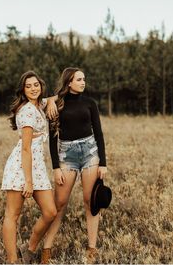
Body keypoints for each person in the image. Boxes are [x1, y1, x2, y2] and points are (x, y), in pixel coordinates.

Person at [41, 67, 107, 264]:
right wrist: (55, 167)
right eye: (79, 79)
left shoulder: (90, 103)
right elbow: (53, 138)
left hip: (90, 154)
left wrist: (103, 162)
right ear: (69, 82)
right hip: (66, 156)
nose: (83, 82)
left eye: (84, 79)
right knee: (59, 204)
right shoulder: (56, 104)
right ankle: (46, 249)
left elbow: (99, 133)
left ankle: (92, 249)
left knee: (91, 202)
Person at [1, 70, 58, 264]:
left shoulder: (39, 105)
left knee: (50, 211)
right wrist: (28, 181)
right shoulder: (26, 111)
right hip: (21, 167)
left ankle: (29, 248)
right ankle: (12, 260)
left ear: (41, 86)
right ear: (22, 90)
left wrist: (50, 101)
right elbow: (25, 149)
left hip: (37, 166)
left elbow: (59, 95)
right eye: (28, 86)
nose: (33, 88)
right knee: (12, 215)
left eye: (36, 85)